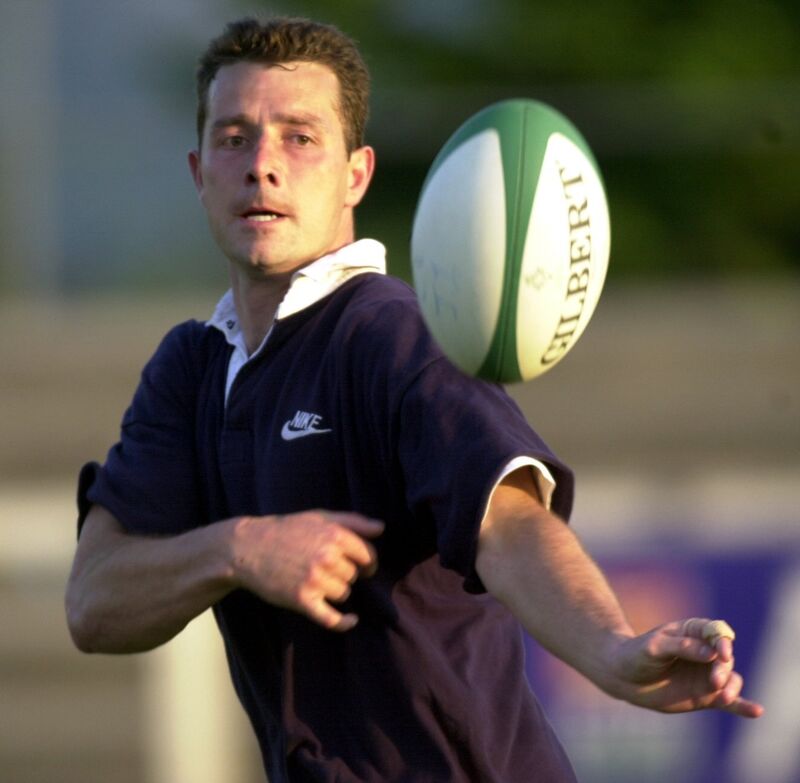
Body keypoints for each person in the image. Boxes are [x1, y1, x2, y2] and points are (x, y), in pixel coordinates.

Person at [65, 16, 763, 783]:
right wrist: (240, 548)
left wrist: (613, 650)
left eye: (299, 138)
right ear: (199, 172)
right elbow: (96, 601)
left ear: (356, 175)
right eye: (235, 137)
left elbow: (509, 522)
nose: (263, 165)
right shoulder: (189, 370)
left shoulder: (394, 333)